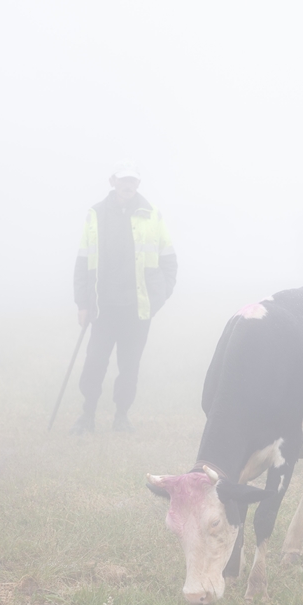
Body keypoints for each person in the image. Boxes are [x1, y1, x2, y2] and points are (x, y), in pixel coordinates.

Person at [70, 163, 177, 434]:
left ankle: (121, 417)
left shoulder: (152, 214)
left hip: (137, 309)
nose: (128, 185)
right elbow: (83, 260)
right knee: (95, 361)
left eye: (133, 181)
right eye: (123, 180)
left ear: (138, 185)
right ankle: (87, 416)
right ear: (113, 181)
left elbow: (169, 259)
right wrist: (83, 303)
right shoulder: (95, 214)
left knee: (129, 367)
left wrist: (159, 297)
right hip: (102, 307)